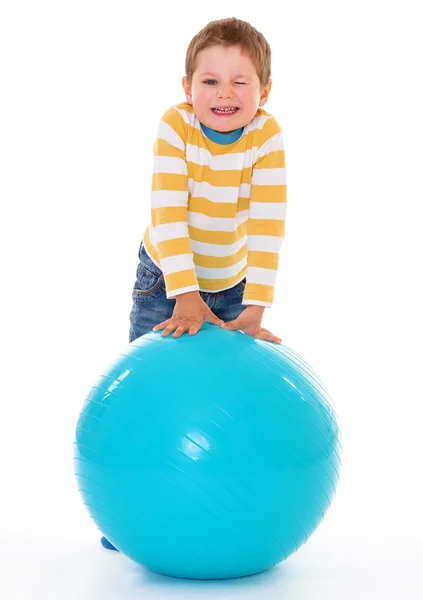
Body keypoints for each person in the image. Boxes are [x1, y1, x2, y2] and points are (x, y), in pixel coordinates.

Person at [101, 17, 287, 552]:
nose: (224, 94)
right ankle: (125, 513)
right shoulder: (174, 126)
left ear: (264, 91)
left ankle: (224, 500)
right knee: (148, 393)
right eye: (210, 81)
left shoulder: (265, 136)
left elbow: (269, 219)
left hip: (229, 283)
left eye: (240, 82)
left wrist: (255, 305)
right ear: (187, 89)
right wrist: (184, 293)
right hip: (165, 277)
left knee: (218, 399)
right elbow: (169, 212)